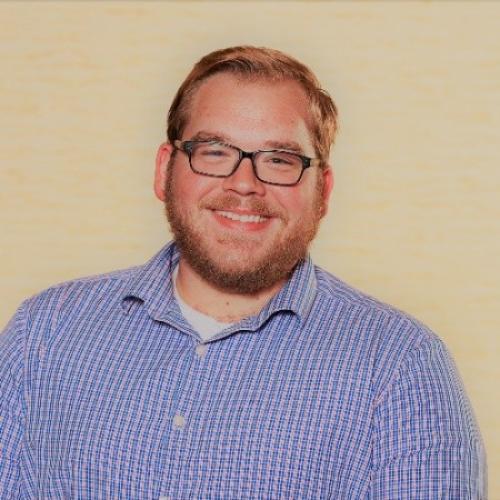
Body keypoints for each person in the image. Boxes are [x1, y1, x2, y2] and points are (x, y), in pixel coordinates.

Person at [0, 46, 486, 499]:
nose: (244, 184)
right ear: (165, 170)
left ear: (323, 191)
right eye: (214, 151)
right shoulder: (43, 333)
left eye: (280, 160)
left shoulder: (400, 367)